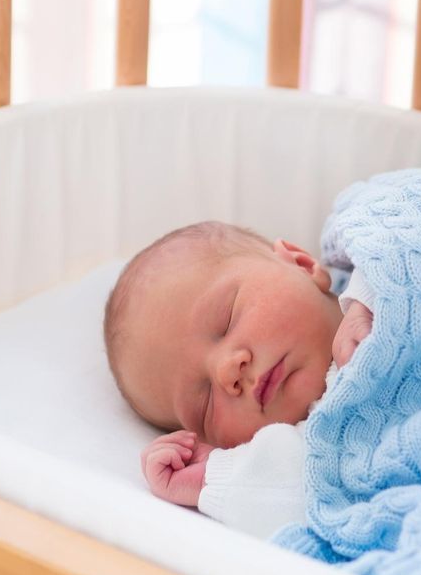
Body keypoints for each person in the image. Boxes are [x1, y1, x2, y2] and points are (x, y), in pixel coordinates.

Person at [103, 221, 374, 537]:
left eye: (226, 320)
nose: (226, 371)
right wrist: (211, 478)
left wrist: (366, 299)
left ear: (301, 263)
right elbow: (311, 502)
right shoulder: (311, 452)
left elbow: (414, 225)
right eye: (204, 403)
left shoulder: (377, 266)